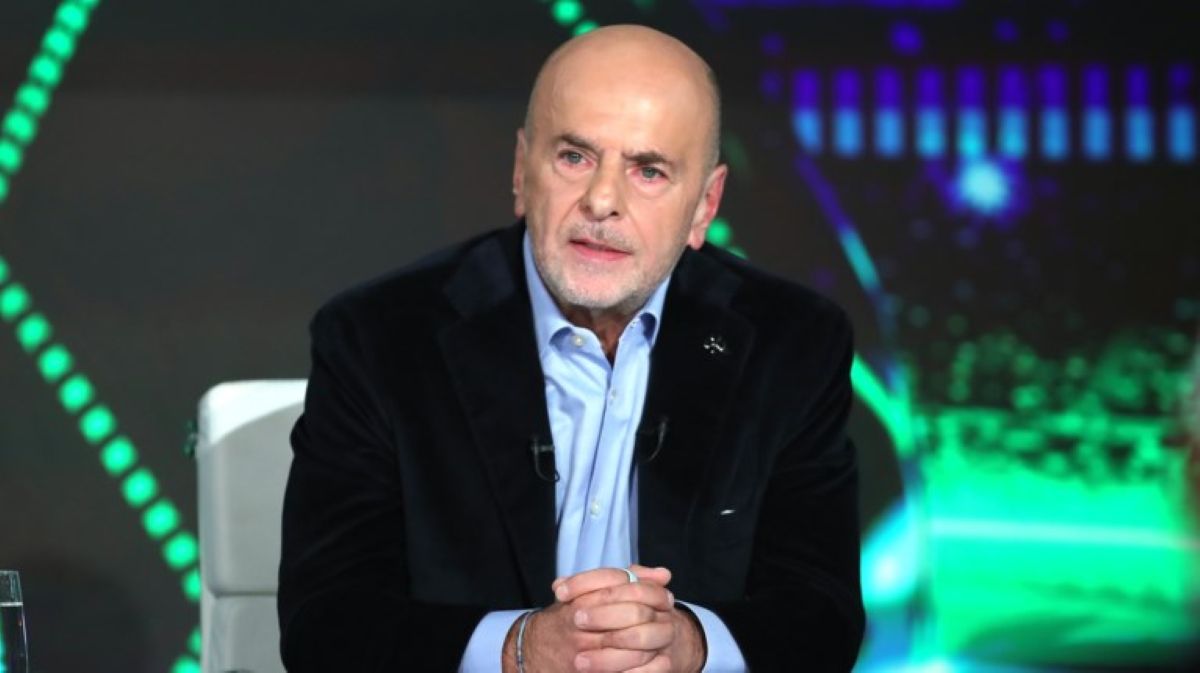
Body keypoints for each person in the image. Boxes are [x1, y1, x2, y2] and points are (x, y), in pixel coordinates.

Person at [278, 24, 864, 672]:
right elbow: (325, 624)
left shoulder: (791, 343)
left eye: (648, 170)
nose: (602, 201)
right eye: (574, 157)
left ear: (705, 205)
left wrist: (690, 645)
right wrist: (520, 648)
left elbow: (821, 616)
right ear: (521, 171)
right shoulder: (380, 340)